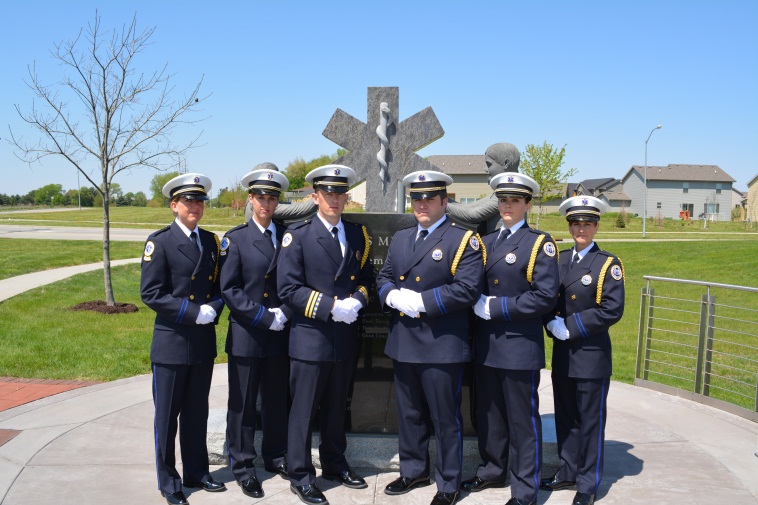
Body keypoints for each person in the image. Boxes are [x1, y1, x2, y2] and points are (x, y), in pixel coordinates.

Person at [376, 170, 484, 505]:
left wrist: (421, 302)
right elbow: (385, 275)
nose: (422, 204)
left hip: (441, 344)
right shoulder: (402, 238)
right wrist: (392, 296)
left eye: (429, 198)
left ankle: (448, 482)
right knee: (408, 412)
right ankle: (413, 470)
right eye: (416, 199)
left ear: (444, 201)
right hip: (404, 339)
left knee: (444, 416)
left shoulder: (463, 240)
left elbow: (466, 289)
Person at [277, 164, 373, 505]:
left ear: (347, 197)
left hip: (344, 337)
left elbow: (365, 278)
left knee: (336, 408)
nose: (334, 199)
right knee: (303, 411)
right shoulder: (298, 235)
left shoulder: (357, 234)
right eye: (327, 193)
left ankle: (334, 462)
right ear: (315, 197)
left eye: (339, 193)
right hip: (311, 337)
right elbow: (287, 288)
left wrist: (357, 301)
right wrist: (331, 306)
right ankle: (301, 474)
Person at [463, 172, 560, 505]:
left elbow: (545, 296)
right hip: (487, 346)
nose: (507, 206)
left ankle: (524, 490)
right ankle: (493, 469)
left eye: (514, 200)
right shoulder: (487, 242)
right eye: (503, 200)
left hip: (519, 347)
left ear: (527, 204)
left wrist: (497, 307)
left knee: (521, 421)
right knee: (489, 416)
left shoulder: (538, 243)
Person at [140, 173, 226, 505]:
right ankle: (168, 481)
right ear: (174, 205)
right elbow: (151, 293)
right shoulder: (159, 242)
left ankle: (197, 472)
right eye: (188, 201)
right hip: (172, 343)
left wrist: (214, 308)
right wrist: (193, 313)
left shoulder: (212, 241)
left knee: (196, 413)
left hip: (202, 344)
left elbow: (219, 289)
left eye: (200, 201)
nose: (195, 206)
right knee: (167, 417)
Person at [540, 196, 625, 505]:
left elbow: (612, 309)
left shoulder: (607, 265)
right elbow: (545, 298)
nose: (581, 229)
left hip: (591, 356)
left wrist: (571, 326)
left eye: (587, 223)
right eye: (576, 223)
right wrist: (550, 322)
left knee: (589, 422)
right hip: (563, 355)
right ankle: (567, 470)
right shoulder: (559, 260)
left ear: (596, 227)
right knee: (566, 418)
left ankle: (587, 485)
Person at [219, 168, 291, 499]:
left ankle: (275, 457)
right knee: (244, 404)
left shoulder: (287, 234)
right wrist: (263, 317)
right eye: (261, 197)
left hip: (280, 333)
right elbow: (230, 289)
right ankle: (244, 467)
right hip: (249, 332)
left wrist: (285, 313)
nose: (267, 203)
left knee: (277, 401)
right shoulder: (236, 238)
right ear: (251, 199)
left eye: (272, 198)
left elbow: (295, 282)